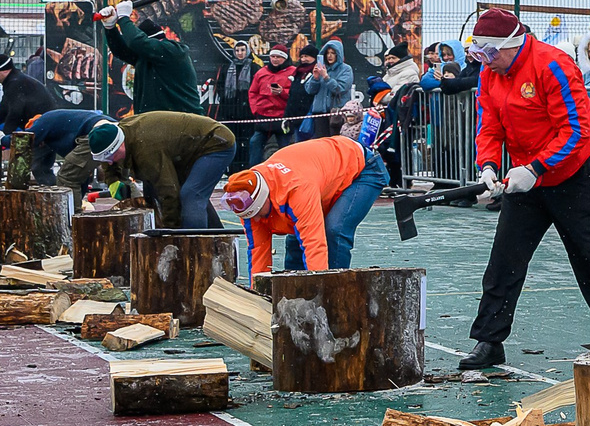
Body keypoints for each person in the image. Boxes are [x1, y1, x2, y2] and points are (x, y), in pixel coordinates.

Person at [455, 7, 590, 369]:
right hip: (526, 175)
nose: (486, 62)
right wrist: (488, 165)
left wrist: (536, 167)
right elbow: (488, 125)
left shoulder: (552, 65)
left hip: (573, 173)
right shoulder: (491, 74)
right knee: (505, 258)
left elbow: (576, 130)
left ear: (512, 44)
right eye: (480, 54)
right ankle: (489, 340)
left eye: (491, 53)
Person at [217, 132, 390, 273]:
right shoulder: (244, 199)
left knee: (334, 231)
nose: (255, 220)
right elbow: (258, 252)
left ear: (264, 198)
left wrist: (318, 292)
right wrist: (258, 296)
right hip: (326, 174)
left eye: (256, 213)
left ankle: (333, 293)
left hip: (363, 169)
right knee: (294, 241)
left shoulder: (297, 189)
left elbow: (314, 245)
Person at [89, 112, 238, 230]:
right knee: (183, 196)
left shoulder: (147, 150)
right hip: (187, 149)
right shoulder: (119, 133)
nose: (109, 162)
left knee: (191, 195)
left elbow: (168, 190)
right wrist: (113, 180)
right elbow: (108, 159)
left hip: (216, 143)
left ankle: (194, 250)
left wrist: (169, 231)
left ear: (120, 145)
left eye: (111, 156)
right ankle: (217, 238)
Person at [100, 7, 201, 116]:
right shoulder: (146, 57)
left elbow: (137, 42)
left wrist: (123, 18)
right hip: (158, 120)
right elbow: (121, 51)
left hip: (185, 119)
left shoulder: (173, 51)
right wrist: (110, 27)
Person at [18, 106, 110, 189]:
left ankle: (69, 207)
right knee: (76, 174)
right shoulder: (60, 126)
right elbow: (80, 174)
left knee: (67, 177)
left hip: (98, 132)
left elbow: (24, 138)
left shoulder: (43, 122)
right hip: (110, 128)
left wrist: (3, 139)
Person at [0, 49, 68, 132]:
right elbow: (4, 111)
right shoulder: (13, 81)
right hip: (43, 124)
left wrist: (4, 138)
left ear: (4, 70)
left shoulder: (15, 83)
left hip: (44, 126)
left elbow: (15, 113)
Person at [245, 46, 294, 162]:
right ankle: (254, 171)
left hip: (283, 117)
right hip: (263, 117)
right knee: (255, 142)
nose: (275, 59)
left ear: (285, 59)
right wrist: (255, 110)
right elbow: (252, 92)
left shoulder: (293, 72)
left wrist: (282, 92)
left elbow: (296, 95)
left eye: (279, 57)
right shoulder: (261, 72)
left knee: (286, 148)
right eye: (273, 56)